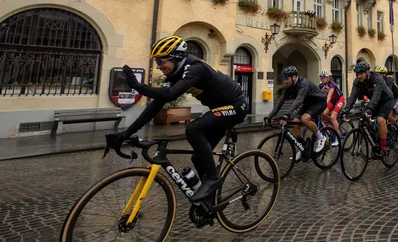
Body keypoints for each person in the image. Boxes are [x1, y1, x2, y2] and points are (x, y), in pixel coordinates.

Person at [107, 36, 247, 201]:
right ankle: (211, 198)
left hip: (236, 106)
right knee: (198, 157)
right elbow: (155, 106)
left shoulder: (195, 67)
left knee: (194, 128)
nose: (158, 66)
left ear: (176, 57)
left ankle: (213, 179)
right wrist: (126, 132)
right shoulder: (174, 75)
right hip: (219, 110)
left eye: (160, 61)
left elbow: (170, 94)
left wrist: (139, 87)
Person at [266, 66, 328, 155]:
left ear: (294, 77)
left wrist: (287, 114)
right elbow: (280, 101)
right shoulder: (288, 86)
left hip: (319, 102)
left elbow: (298, 100)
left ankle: (321, 138)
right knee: (295, 123)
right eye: (284, 79)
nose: (285, 81)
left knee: (305, 119)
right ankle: (303, 148)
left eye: (287, 79)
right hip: (307, 104)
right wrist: (270, 115)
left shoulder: (304, 83)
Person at [342, 61, 395, 158]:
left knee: (380, 120)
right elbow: (353, 96)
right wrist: (346, 109)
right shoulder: (357, 82)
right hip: (375, 102)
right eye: (357, 74)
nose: (359, 76)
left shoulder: (377, 78)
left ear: (367, 72)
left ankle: (383, 148)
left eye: (360, 73)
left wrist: (369, 109)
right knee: (365, 121)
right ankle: (376, 137)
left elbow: (376, 95)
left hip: (386, 100)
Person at [318, 70, 344, 143]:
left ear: (327, 78)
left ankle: (336, 137)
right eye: (321, 78)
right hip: (331, 102)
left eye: (324, 78)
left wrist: (323, 104)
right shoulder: (321, 86)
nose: (322, 79)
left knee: (333, 117)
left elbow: (329, 96)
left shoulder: (332, 84)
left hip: (339, 100)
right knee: (323, 114)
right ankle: (331, 124)